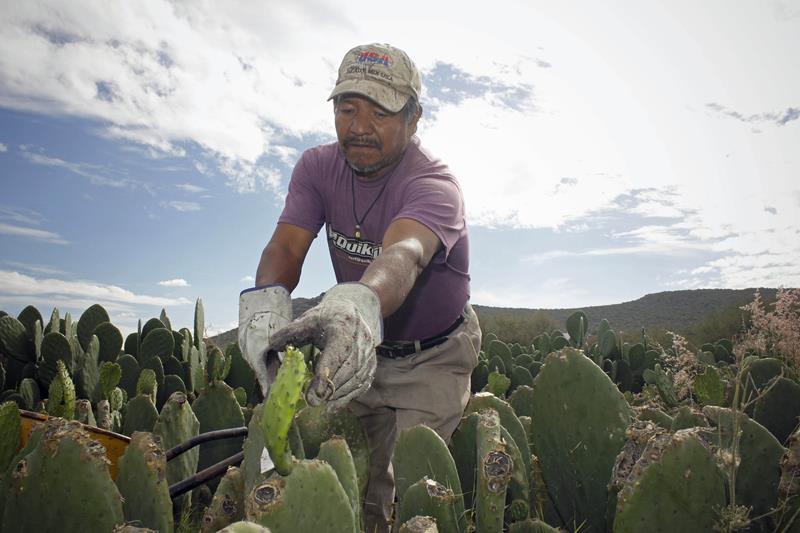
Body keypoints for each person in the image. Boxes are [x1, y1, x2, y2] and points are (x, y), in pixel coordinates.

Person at [238, 43, 481, 533]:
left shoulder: (435, 184)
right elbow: (287, 247)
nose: (359, 126)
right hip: (354, 353)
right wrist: (266, 306)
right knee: (355, 493)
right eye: (347, 109)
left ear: (414, 119)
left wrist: (357, 302)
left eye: (380, 111)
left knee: (418, 497)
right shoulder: (316, 168)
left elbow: (404, 255)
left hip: (431, 357)